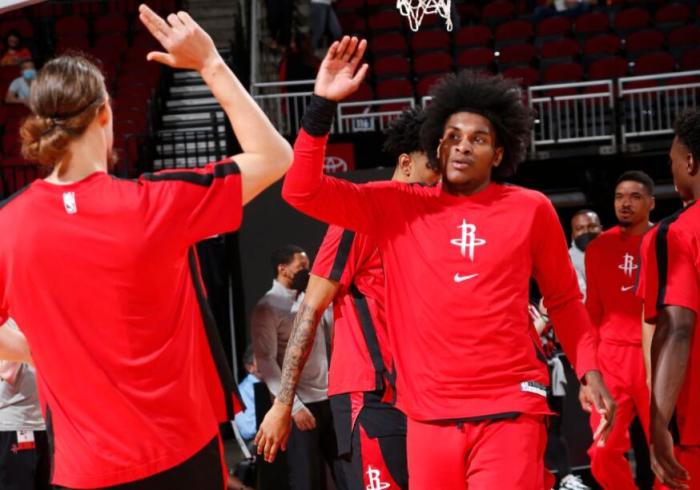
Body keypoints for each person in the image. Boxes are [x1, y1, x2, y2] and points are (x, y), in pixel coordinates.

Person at [274, 36, 615, 489]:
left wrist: (589, 370)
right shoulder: (398, 206)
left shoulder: (530, 208)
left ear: (498, 154)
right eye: (453, 136)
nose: (462, 146)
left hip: (510, 406)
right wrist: (321, 107)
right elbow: (301, 190)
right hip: (426, 417)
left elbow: (565, 300)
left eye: (478, 139)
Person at [0, 4, 293, 489]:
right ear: (104, 113)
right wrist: (209, 63)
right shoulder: (156, 202)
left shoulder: (7, 228)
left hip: (86, 471)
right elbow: (275, 156)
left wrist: (42, 352)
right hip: (183, 454)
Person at [256, 107, 440, 490]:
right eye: (433, 168)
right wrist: (284, 402)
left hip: (429, 397)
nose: (439, 181)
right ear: (406, 164)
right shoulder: (362, 213)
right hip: (372, 398)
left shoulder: (435, 228)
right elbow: (310, 309)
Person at [637, 108, 700, 489]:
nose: (673, 169)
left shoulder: (674, 233)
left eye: (672, 161)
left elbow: (677, 328)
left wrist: (658, 422)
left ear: (690, 162)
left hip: (694, 431)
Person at [583, 171, 655, 489]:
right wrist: (587, 376)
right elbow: (591, 313)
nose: (625, 203)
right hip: (611, 359)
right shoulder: (598, 248)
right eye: (619, 197)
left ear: (651, 203)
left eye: (635, 197)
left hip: (656, 357)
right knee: (602, 451)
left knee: (670, 449)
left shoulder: (667, 240)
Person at [251, 245, 342, 490]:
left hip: (328, 398)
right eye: (301, 266)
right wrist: (294, 406)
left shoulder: (308, 298)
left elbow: (331, 339)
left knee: (344, 473)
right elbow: (266, 361)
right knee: (307, 479)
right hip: (299, 405)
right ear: (283, 269)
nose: (307, 271)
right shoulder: (268, 307)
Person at [0, 319, 50, 490]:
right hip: (15, 423)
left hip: (44, 424)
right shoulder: (8, 322)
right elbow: (8, 372)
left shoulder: (43, 320)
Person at [569, 209, 602, 300]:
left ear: (601, 229)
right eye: (579, 228)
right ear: (573, 235)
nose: (586, 231)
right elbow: (582, 296)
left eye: (592, 226)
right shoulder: (568, 260)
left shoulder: (617, 251)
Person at [235, 345, 261, 443]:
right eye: (261, 359)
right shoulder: (243, 391)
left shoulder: (274, 384)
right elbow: (247, 430)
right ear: (250, 367)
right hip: (258, 441)